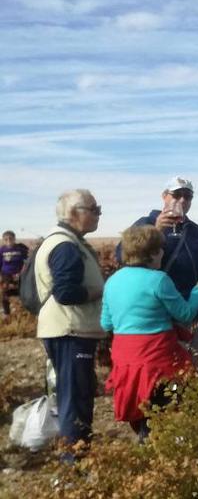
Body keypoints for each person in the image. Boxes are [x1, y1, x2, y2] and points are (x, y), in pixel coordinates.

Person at [101, 226, 198, 439]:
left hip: (126, 360)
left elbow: (106, 323)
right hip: (159, 359)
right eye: (161, 249)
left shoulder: (112, 281)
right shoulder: (159, 280)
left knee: (142, 409)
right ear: (152, 253)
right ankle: (167, 449)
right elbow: (185, 314)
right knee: (169, 402)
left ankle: (147, 446)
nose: (164, 253)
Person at [34, 190, 106, 452]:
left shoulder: (68, 242)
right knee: (75, 399)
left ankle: (76, 456)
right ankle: (74, 461)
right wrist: (98, 291)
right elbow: (65, 293)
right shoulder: (65, 246)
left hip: (70, 330)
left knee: (75, 396)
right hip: (70, 331)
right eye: (94, 209)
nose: (98, 215)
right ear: (75, 213)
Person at [122, 178, 198, 355]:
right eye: (177, 195)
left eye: (188, 196)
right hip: (160, 319)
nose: (182, 200)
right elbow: (123, 256)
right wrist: (156, 230)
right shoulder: (144, 224)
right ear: (164, 196)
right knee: (166, 368)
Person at [1, 230, 30, 318]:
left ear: (14, 239)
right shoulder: (2, 250)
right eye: (6, 239)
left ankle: (25, 309)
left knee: (23, 292)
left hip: (20, 275)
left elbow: (28, 261)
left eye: (11, 238)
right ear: (3, 240)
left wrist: (21, 272)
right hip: (6, 275)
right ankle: (7, 312)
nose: (9, 241)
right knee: (5, 293)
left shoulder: (20, 249)